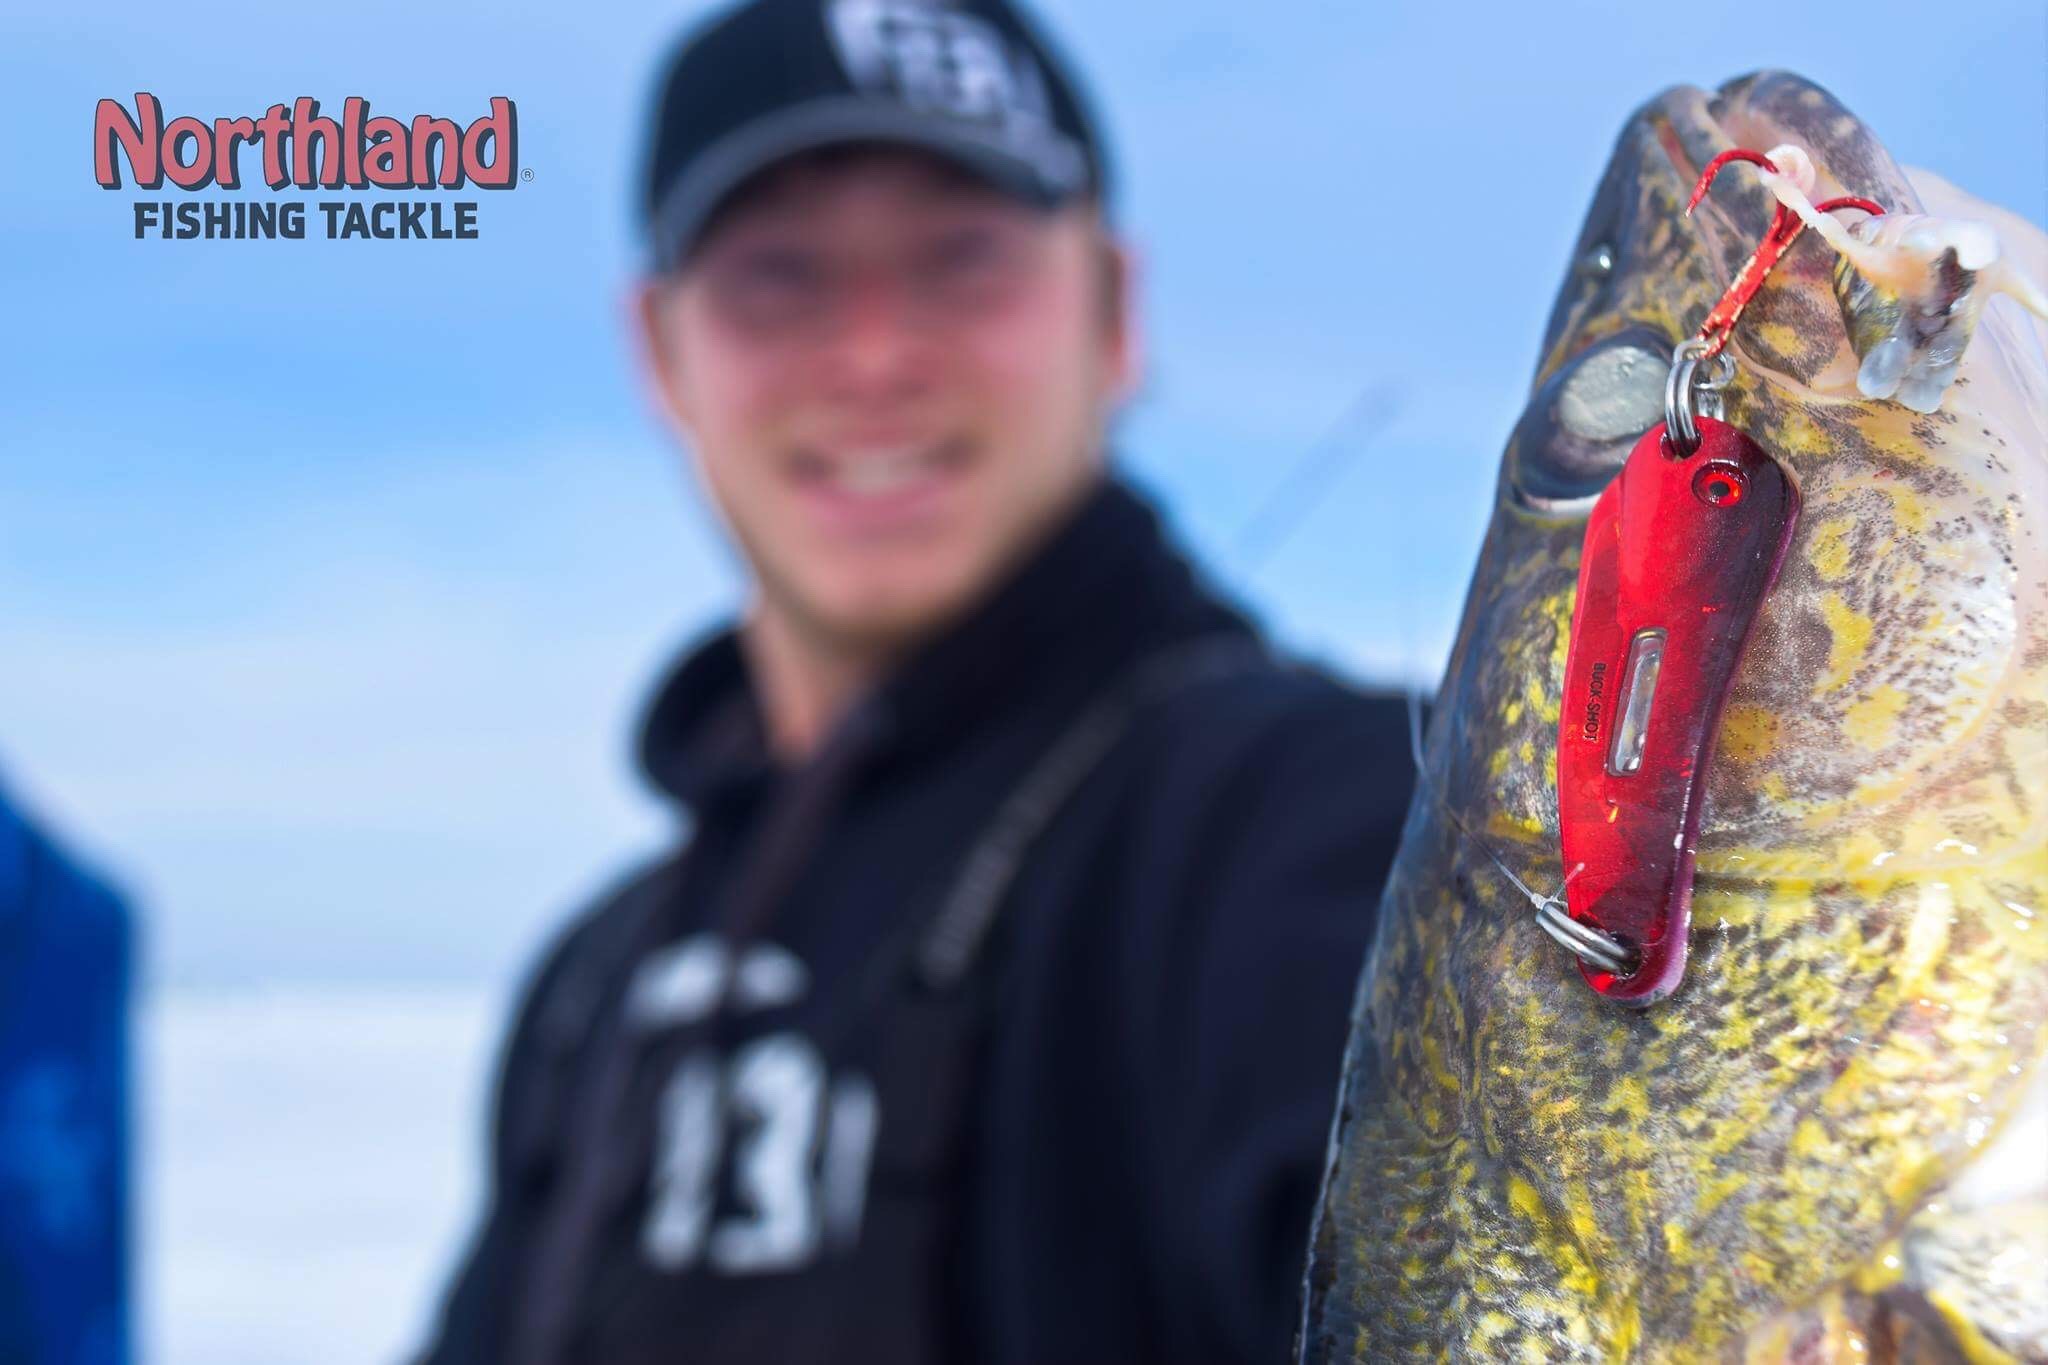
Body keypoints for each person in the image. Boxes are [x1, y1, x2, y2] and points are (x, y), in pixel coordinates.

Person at [418, 1, 1416, 1361]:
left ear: (1114, 314)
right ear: (660, 351)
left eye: (962, 260)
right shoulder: (598, 983)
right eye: (781, 275)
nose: (877, 354)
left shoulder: (1325, 828)